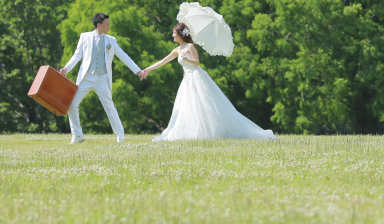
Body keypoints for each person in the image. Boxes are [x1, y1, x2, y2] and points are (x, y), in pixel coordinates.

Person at [141, 23, 275, 141]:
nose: (172, 35)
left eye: (174, 33)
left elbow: (197, 63)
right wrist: (146, 69)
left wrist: (186, 59)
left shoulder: (189, 47)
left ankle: (210, 131)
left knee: (204, 103)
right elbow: (162, 61)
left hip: (196, 77)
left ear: (181, 34)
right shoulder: (177, 50)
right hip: (187, 79)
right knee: (188, 106)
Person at [59, 13, 145, 144]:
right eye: (107, 24)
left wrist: (138, 71)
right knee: (72, 104)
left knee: (109, 106)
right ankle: (77, 135)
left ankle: (120, 135)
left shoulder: (111, 40)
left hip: (103, 78)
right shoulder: (84, 37)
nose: (109, 26)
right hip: (86, 78)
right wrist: (67, 68)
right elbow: (77, 55)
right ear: (98, 25)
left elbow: (123, 55)